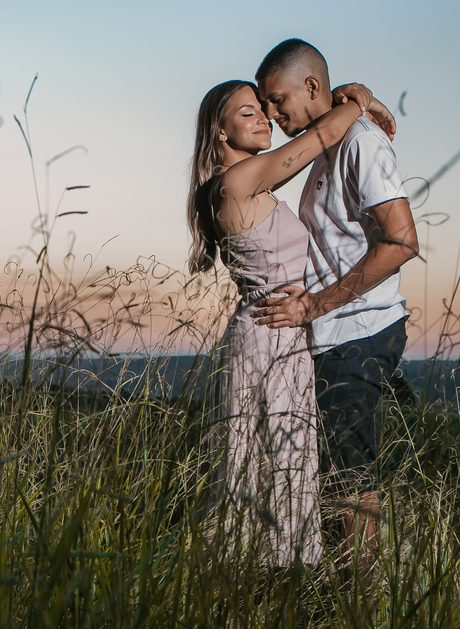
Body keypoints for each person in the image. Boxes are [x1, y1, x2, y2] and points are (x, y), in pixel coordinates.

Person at [187, 79, 395, 570]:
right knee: (274, 463)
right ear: (219, 131)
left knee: (276, 462)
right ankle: (269, 584)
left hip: (276, 334)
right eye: (247, 113)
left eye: (264, 109)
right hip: (270, 338)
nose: (264, 119)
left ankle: (268, 590)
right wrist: (362, 97)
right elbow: (323, 136)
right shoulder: (240, 182)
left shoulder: (241, 181)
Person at [251, 39, 419, 579]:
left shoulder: (362, 144)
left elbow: (401, 241)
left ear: (312, 87)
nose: (274, 117)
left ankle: (359, 615)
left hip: (359, 330)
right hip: (332, 333)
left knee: (352, 476)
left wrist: (313, 306)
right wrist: (361, 98)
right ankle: (341, 590)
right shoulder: (332, 141)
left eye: (279, 102)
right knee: (337, 471)